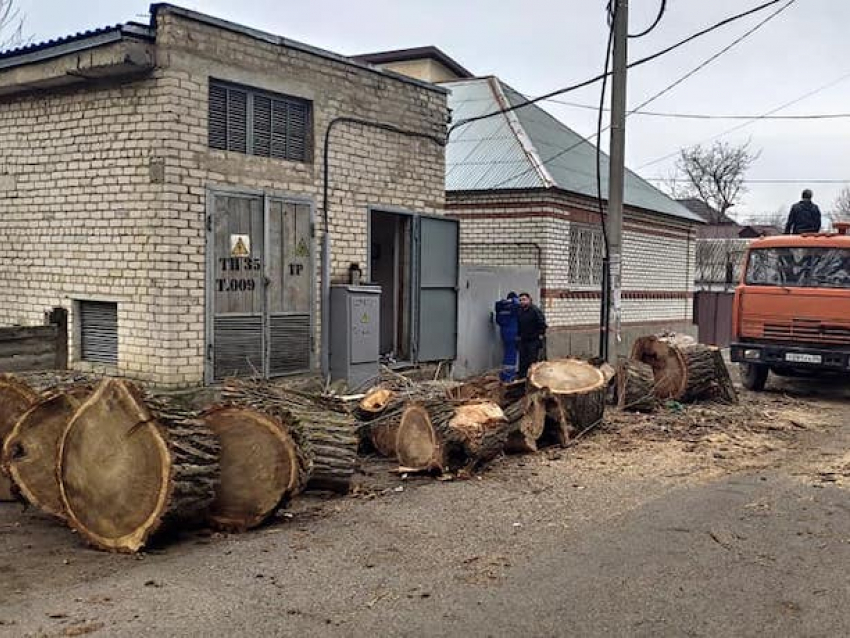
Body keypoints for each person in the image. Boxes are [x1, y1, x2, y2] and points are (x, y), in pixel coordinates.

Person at [516, 292, 547, 378]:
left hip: (533, 340)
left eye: (524, 300)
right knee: (522, 361)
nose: (522, 302)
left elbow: (542, 324)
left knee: (532, 361)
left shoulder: (535, 310)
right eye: (520, 300)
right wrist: (518, 336)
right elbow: (519, 324)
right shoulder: (520, 311)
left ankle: (532, 378)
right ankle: (522, 378)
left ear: (529, 300)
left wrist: (540, 335)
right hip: (523, 340)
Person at [494, 292, 520, 382]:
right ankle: (509, 376)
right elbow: (518, 307)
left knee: (507, 353)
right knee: (511, 354)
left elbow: (498, 321)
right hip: (514, 333)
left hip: (504, 333)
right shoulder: (514, 307)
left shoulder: (502, 308)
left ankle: (505, 374)